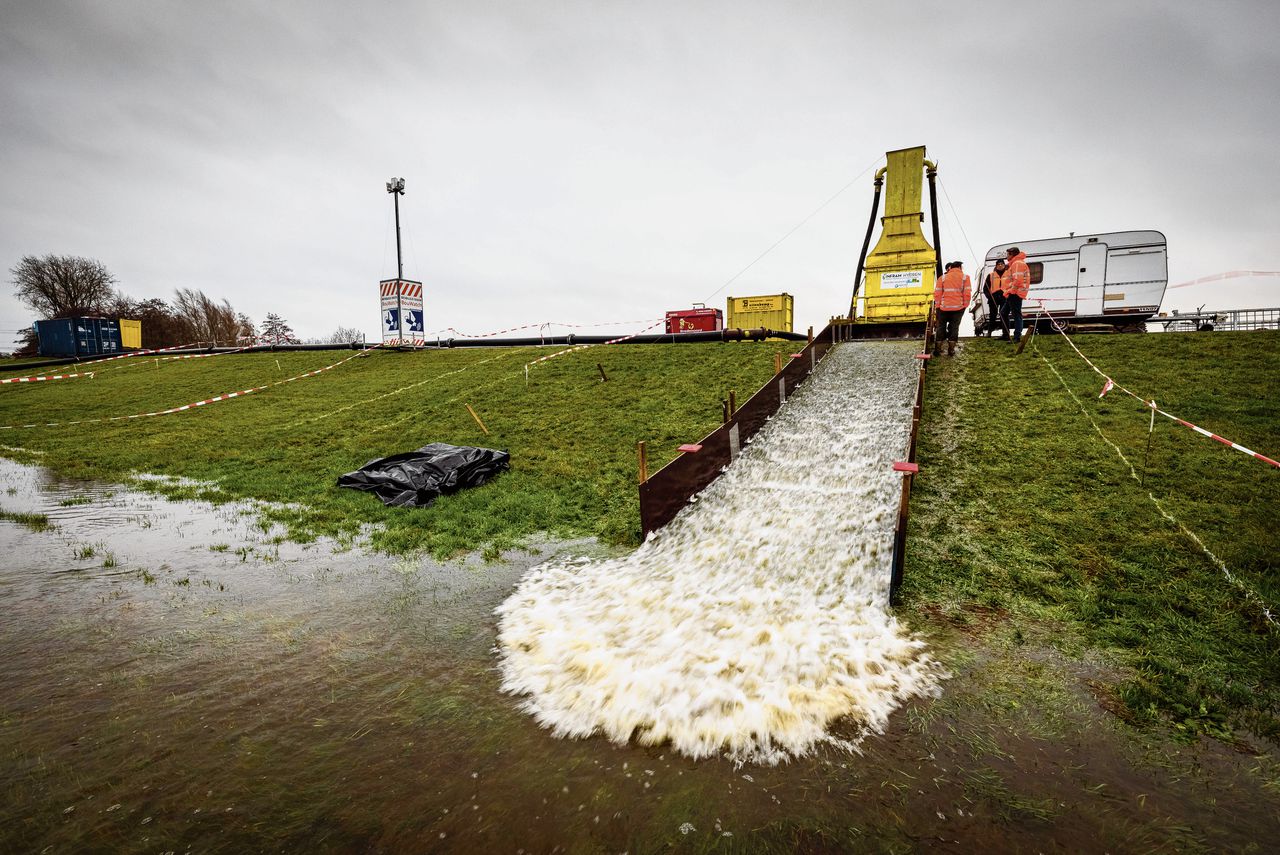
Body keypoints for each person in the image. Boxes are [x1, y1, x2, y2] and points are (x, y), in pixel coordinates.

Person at [932, 260, 971, 357]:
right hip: (958, 308)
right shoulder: (965, 277)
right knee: (954, 328)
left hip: (943, 308)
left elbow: (937, 294)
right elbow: (967, 294)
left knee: (941, 327)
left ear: (951, 268)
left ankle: (937, 349)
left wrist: (938, 306)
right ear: (959, 267)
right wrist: (964, 306)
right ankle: (951, 350)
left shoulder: (943, 277)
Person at [1000, 247, 1030, 343]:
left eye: (1008, 254)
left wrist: (1011, 291)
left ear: (1012, 254)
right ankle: (1006, 335)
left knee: (1016, 315)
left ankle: (1017, 337)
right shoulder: (1015, 263)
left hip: (1015, 293)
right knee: (1003, 312)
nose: (1006, 256)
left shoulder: (1017, 263)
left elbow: (1017, 280)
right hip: (1013, 292)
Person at [984, 259, 1008, 338]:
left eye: (1002, 264)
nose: (1000, 265)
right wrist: (989, 296)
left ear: (1004, 265)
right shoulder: (991, 275)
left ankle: (1006, 333)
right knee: (992, 316)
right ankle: (989, 333)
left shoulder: (1009, 274)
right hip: (993, 297)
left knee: (1004, 315)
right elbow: (985, 289)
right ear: (996, 266)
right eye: (998, 264)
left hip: (1004, 296)